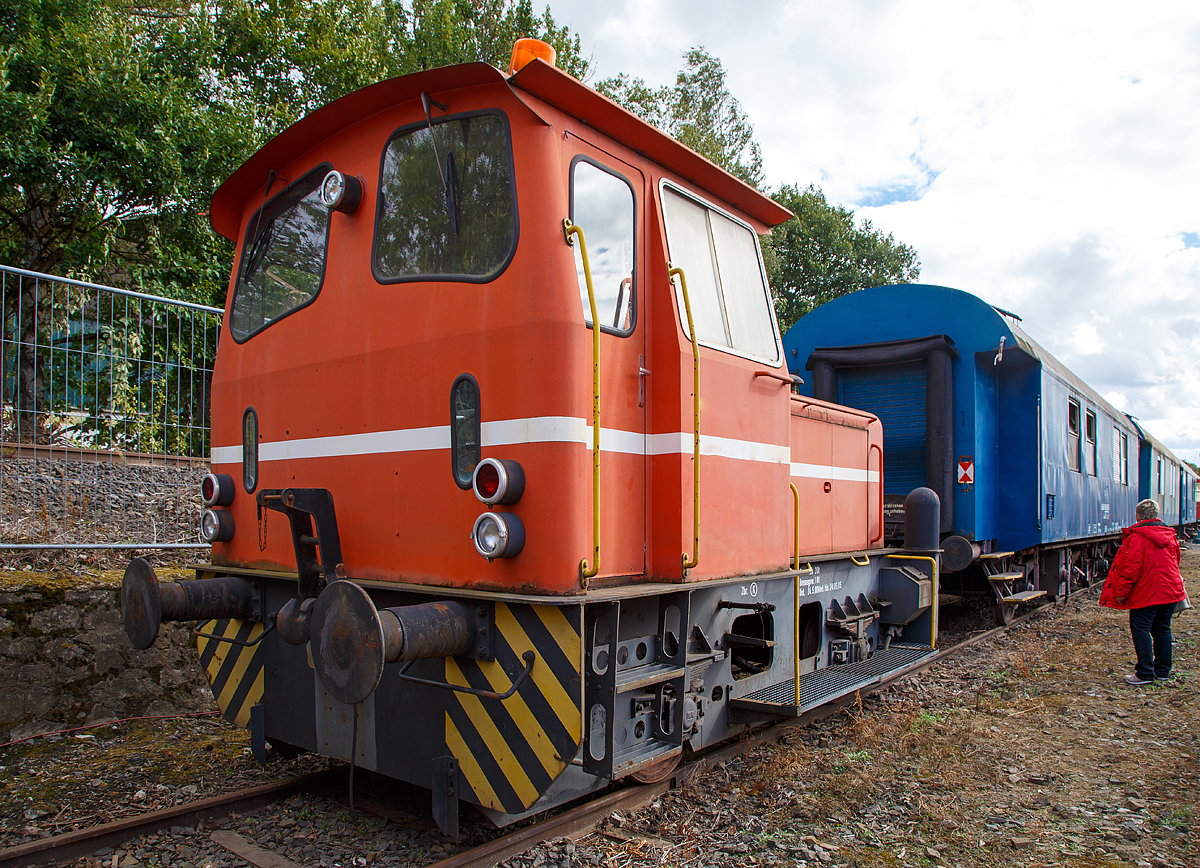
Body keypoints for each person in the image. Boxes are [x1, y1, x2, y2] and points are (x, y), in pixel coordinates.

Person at [1100, 499, 1187, 685]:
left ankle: (1144, 673)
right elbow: (1176, 561)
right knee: (1162, 628)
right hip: (1170, 590)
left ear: (1138, 516)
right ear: (1156, 515)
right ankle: (1162, 671)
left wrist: (1121, 592)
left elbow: (1131, 568)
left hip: (1148, 593)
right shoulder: (1169, 534)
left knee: (1140, 628)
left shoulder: (1138, 536)